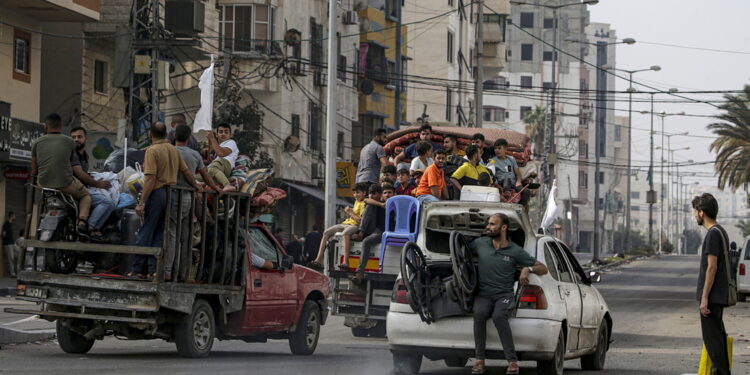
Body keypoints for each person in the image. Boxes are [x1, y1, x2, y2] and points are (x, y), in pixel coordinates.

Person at [469, 213, 548, 375]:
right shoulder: (480, 243)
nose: (488, 227)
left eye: (492, 224)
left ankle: (512, 361)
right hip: (483, 294)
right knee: (480, 313)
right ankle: (479, 360)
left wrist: (527, 269)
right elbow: (458, 253)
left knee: (499, 316)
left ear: (503, 227)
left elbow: (543, 268)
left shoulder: (515, 251)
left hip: (504, 295)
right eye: (488, 224)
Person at [132, 122, 202, 279]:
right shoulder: (173, 149)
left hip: (156, 194)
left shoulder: (152, 150)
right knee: (159, 234)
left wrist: (142, 202)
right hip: (170, 195)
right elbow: (186, 172)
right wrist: (197, 186)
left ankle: (137, 269)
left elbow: (150, 179)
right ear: (166, 133)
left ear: (150, 134)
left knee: (146, 231)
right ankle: (153, 269)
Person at [168, 124, 222, 281]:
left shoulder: (169, 151)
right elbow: (205, 175)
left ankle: (168, 270)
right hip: (188, 198)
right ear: (189, 138)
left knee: (171, 234)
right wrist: (215, 188)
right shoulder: (194, 155)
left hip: (171, 196)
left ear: (174, 137)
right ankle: (183, 273)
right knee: (185, 237)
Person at [692, 193, 732, 375]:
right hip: (718, 295)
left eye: (695, 212)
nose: (694, 215)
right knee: (718, 337)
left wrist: (705, 298)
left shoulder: (712, 235)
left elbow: (712, 267)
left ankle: (721, 372)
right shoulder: (720, 231)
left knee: (713, 340)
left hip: (713, 297)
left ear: (701, 213)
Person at [32, 113, 91, 233]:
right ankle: (82, 221)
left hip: (44, 183)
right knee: (86, 196)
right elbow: (73, 166)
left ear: (46, 126)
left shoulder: (36, 143)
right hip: (65, 184)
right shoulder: (69, 142)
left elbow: (34, 170)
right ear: (61, 126)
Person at [309, 183, 369, 271]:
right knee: (326, 232)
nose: (355, 195)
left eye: (358, 192)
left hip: (355, 225)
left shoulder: (365, 202)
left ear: (364, 193)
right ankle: (318, 260)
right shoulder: (357, 201)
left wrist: (350, 212)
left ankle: (345, 262)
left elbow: (360, 221)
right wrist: (351, 212)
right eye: (354, 193)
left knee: (345, 234)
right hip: (346, 223)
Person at [350, 183, 394, 284]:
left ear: (394, 194)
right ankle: (361, 232)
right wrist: (381, 204)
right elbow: (366, 200)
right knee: (370, 206)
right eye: (385, 193)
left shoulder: (396, 203)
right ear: (381, 195)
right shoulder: (379, 203)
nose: (387, 195)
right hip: (375, 229)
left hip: (384, 232)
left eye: (390, 193)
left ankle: (359, 273)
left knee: (366, 241)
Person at [488, 138, 529, 205]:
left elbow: (518, 174)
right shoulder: (492, 161)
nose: (497, 150)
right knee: (507, 179)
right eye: (495, 148)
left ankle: (520, 208)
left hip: (513, 184)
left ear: (505, 149)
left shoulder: (511, 159)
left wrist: (518, 182)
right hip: (502, 184)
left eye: (499, 148)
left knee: (526, 192)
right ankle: (506, 194)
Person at [206, 122, 240, 192]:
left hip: (225, 165)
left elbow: (221, 153)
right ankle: (203, 182)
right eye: (221, 132)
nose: (223, 134)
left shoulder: (231, 142)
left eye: (226, 132)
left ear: (230, 135)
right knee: (196, 176)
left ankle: (227, 185)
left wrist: (212, 138)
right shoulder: (218, 146)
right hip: (216, 169)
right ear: (217, 135)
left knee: (213, 167)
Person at [2, 212, 17, 277]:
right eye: (14, 216)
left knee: (19, 253)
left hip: (12, 243)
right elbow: (3, 234)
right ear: (11, 216)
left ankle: (16, 271)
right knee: (10, 258)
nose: (15, 217)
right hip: (8, 244)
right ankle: (12, 273)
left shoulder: (10, 224)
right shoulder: (6, 224)